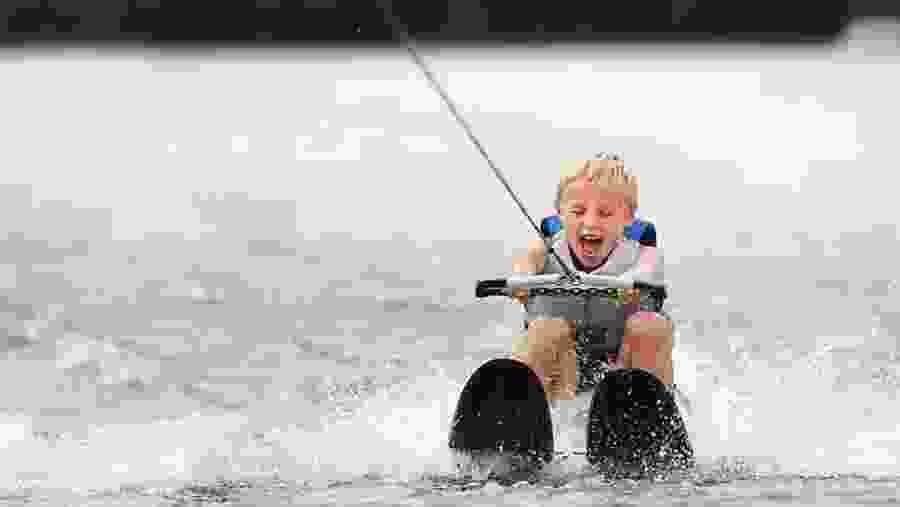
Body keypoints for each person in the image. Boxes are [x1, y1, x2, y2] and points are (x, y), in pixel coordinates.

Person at [510, 153, 675, 407]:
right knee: (545, 330)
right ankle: (521, 409)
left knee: (650, 327)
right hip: (564, 370)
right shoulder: (547, 246)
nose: (590, 222)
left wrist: (631, 283)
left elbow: (647, 271)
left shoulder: (642, 251)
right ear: (561, 214)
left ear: (627, 219)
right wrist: (522, 279)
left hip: (624, 370)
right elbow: (528, 261)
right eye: (578, 211)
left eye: (605, 213)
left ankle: (652, 413)